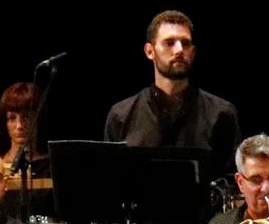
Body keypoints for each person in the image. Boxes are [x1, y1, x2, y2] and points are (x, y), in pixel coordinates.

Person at [103, 10, 240, 164]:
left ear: (193, 53)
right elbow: (112, 180)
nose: (179, 50)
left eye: (186, 43)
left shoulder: (221, 113)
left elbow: (230, 180)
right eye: (169, 43)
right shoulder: (121, 115)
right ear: (150, 51)